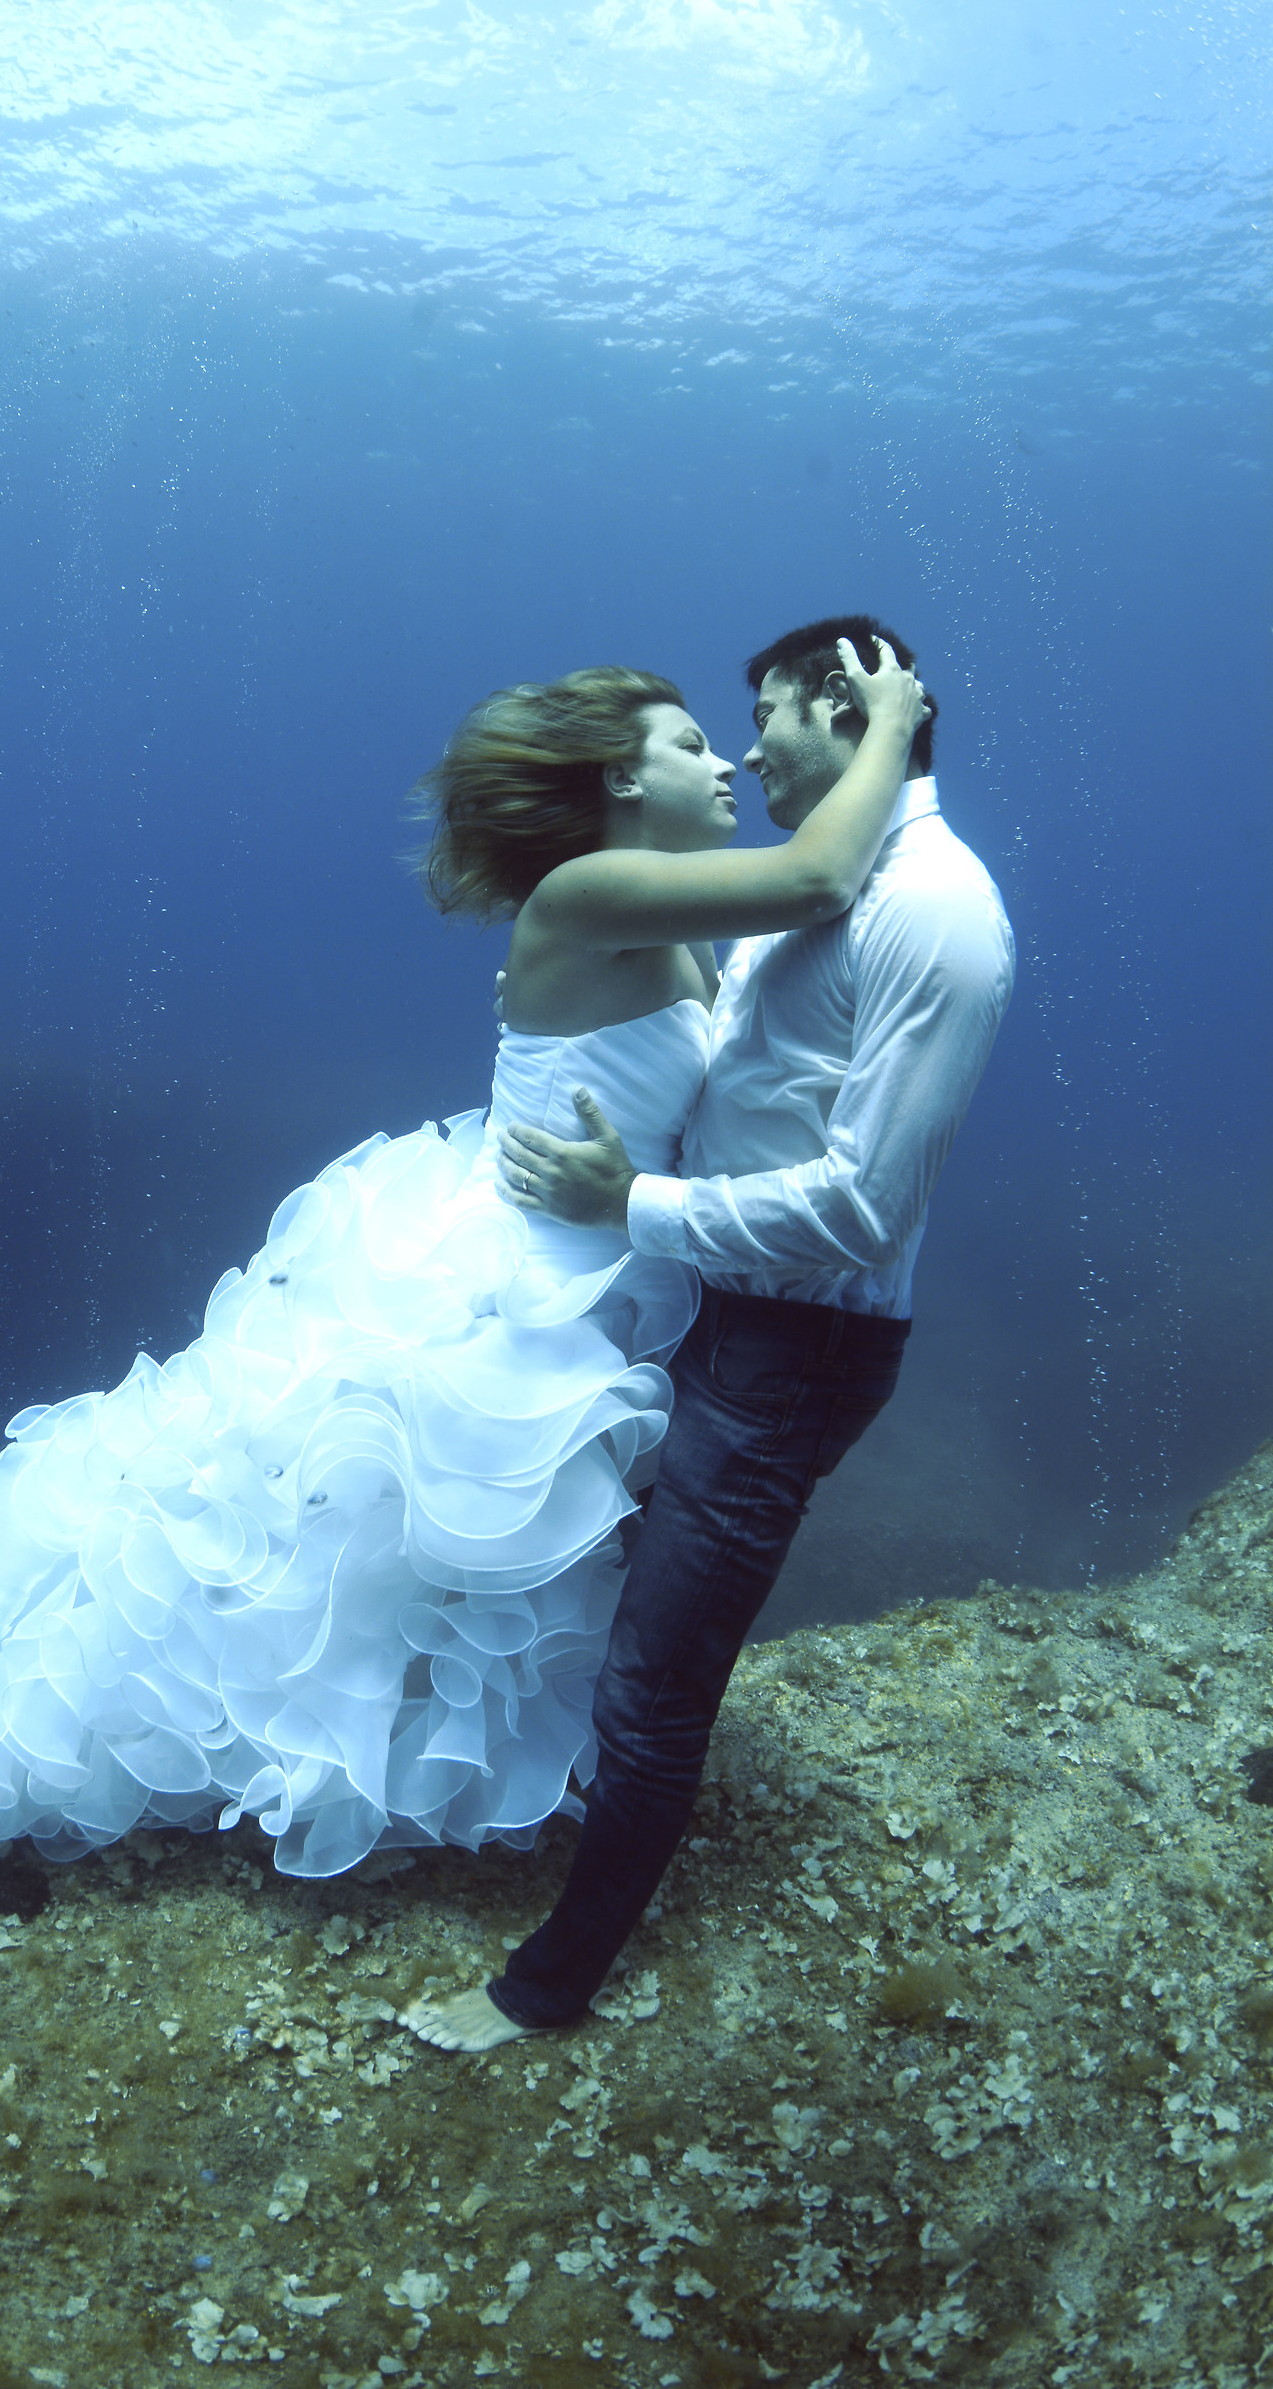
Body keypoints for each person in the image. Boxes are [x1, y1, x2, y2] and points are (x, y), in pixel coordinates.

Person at [0, 643, 925, 1886]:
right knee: (319, 1543)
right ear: (619, 776)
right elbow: (821, 873)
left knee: (390, 1554)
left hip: (596, 1255)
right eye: (688, 744)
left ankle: (343, 1754)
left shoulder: (663, 913)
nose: (723, 759)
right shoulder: (587, 891)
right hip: (508, 1271)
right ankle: (118, 1736)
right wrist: (889, 722)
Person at [404, 615, 1014, 2053]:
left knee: (659, 1675)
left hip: (786, 1347)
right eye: (712, 731)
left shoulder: (934, 908)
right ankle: (533, 1820)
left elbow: (863, 1208)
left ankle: (546, 1990)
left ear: (852, 711)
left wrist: (638, 1203)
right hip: (697, 1312)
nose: (744, 750)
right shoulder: (809, 894)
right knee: (589, 1602)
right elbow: (726, 1027)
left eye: (766, 716)